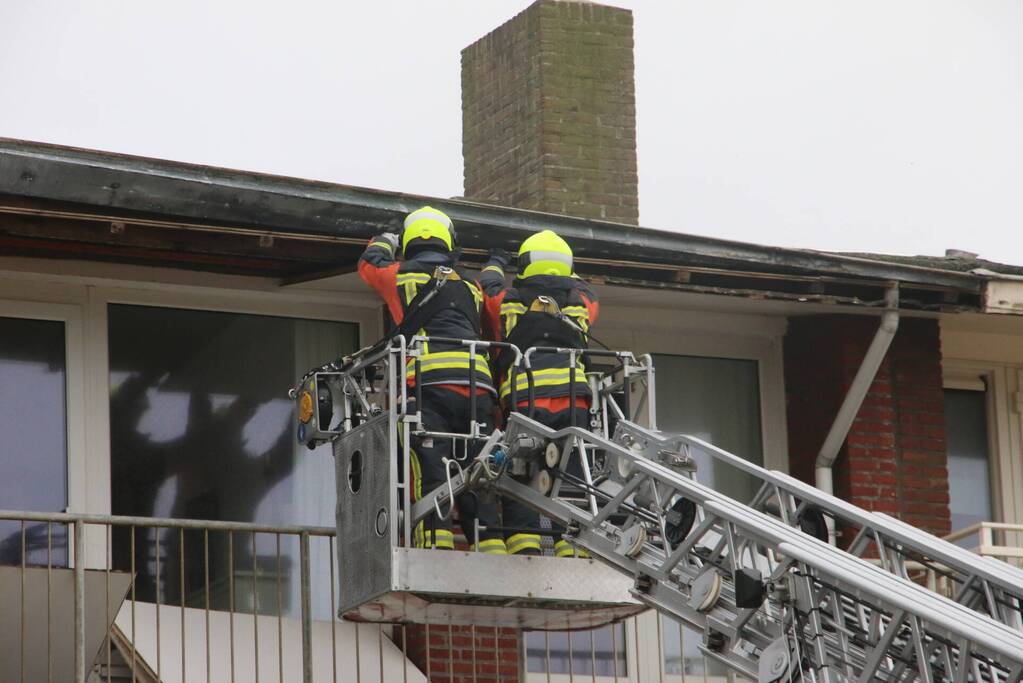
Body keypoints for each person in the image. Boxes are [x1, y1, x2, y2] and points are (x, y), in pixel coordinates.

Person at [358, 206, 507, 555]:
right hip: (478, 390)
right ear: (449, 241)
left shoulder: (400, 275)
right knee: (479, 473)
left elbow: (369, 264)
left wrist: (385, 237)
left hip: (428, 388)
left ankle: (433, 549)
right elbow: (492, 315)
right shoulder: (469, 285)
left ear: (409, 242)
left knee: (430, 472)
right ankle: (492, 550)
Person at [480, 229, 599, 557]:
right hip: (573, 400)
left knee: (523, 471)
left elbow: (487, 287)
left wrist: (495, 262)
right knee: (571, 471)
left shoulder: (508, 300)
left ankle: (525, 543)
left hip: (525, 400)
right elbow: (587, 291)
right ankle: (570, 544)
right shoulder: (583, 302)